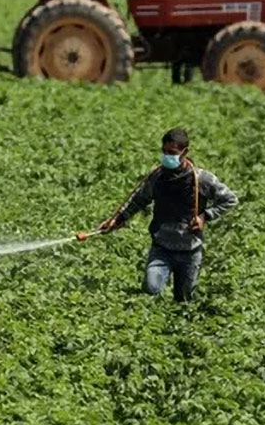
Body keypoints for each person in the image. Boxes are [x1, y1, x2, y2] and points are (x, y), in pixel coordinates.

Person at [98, 128, 238, 303]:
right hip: (161, 247)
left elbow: (230, 200)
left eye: (172, 153)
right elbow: (138, 200)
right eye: (164, 152)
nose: (166, 157)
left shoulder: (201, 179)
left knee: (184, 300)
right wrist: (117, 220)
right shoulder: (157, 177)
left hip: (190, 250)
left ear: (185, 152)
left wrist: (205, 216)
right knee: (151, 288)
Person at [169, 0, 199, 83]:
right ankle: (188, 81)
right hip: (189, 28)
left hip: (174, 29)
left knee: (176, 57)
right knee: (189, 56)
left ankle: (175, 80)